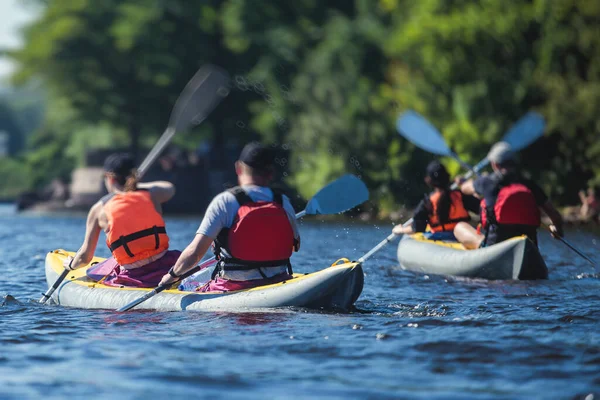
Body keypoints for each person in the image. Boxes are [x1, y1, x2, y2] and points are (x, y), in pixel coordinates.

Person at [158, 142, 301, 292]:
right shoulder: (283, 201)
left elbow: (195, 253)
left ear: (238, 168)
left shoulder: (226, 201)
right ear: (270, 173)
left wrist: (172, 276)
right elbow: (295, 246)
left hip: (232, 286)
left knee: (185, 285)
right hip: (278, 282)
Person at [64, 153, 180, 287]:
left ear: (110, 178)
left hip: (135, 276)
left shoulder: (99, 210)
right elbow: (169, 188)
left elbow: (85, 258)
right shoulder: (151, 195)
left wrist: (71, 266)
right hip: (169, 266)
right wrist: (135, 184)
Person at [454, 142, 564, 249]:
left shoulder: (487, 182)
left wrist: (463, 182)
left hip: (495, 247)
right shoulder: (529, 184)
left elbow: (465, 188)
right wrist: (557, 229)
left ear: (494, 164)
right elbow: (554, 214)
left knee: (459, 227)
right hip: (528, 247)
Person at [392, 160, 480, 240]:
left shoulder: (427, 202)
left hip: (440, 238)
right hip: (463, 236)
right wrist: (466, 184)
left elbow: (417, 228)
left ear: (428, 180)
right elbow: (481, 207)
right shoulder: (460, 195)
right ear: (447, 177)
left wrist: (400, 230)